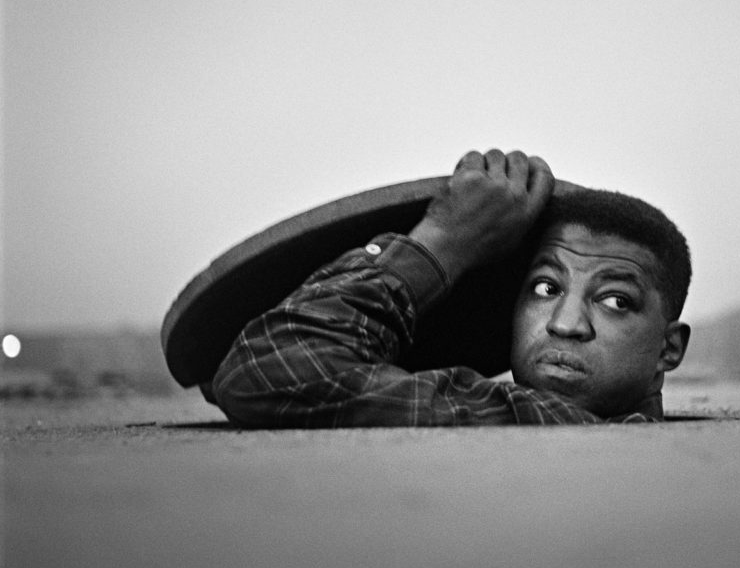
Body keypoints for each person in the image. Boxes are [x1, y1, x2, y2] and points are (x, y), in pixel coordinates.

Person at [212, 149, 691, 426]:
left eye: (615, 301)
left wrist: (443, 240)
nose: (565, 325)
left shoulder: (529, 417)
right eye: (545, 288)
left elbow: (262, 373)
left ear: (669, 348)